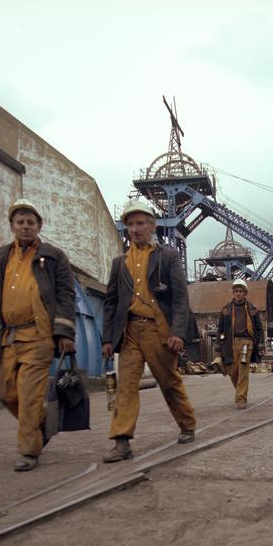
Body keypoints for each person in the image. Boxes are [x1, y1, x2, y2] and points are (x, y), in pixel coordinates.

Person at [0, 198, 76, 471]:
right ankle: (42, 424)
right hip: (5, 337)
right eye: (20, 222)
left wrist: (65, 332)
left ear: (39, 225)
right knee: (4, 391)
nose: (25, 227)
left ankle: (28, 451)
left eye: (30, 222)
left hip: (38, 336)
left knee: (29, 393)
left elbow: (67, 296)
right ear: (12, 226)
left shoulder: (54, 257)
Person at [101, 198, 197, 462]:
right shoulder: (119, 263)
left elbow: (179, 297)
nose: (135, 229)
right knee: (126, 387)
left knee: (168, 381)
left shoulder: (168, 257)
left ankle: (187, 423)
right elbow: (110, 302)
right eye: (130, 224)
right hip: (130, 331)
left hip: (159, 331)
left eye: (140, 223)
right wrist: (108, 338)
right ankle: (122, 441)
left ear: (152, 225)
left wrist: (178, 331)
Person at [215, 278, 265, 409]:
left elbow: (259, 328)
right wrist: (218, 347)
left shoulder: (252, 309)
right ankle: (240, 391)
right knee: (232, 371)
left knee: (243, 371)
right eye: (236, 291)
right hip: (230, 343)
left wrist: (260, 345)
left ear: (245, 293)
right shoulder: (226, 310)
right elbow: (219, 329)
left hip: (246, 343)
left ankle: (241, 399)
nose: (238, 294)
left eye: (241, 291)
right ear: (233, 292)